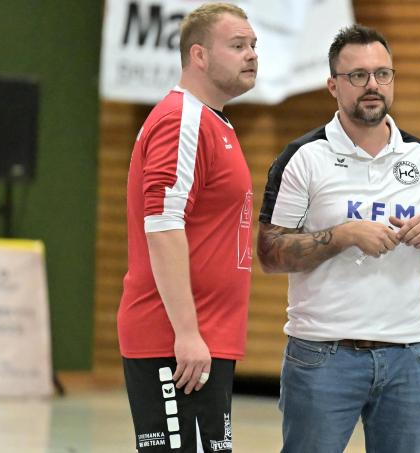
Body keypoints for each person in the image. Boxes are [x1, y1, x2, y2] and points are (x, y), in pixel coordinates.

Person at [257, 24, 420, 453]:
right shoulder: (302, 158)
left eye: (382, 73)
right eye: (357, 76)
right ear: (333, 85)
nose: (372, 85)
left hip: (412, 356)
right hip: (322, 356)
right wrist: (343, 235)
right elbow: (270, 253)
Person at [117, 3, 257, 452]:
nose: (251, 55)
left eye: (253, 45)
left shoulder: (215, 122)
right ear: (198, 55)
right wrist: (187, 332)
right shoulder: (183, 120)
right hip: (176, 341)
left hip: (203, 338)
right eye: (237, 46)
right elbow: (162, 226)